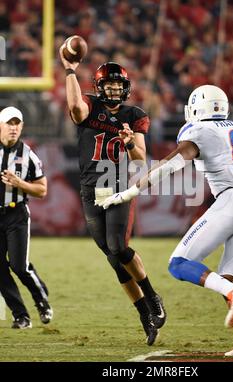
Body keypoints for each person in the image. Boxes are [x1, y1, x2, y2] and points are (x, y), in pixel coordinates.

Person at [100, 85, 233, 356]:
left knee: (178, 265)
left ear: (196, 108)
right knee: (228, 279)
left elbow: (169, 165)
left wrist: (130, 192)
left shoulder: (198, 131)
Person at [59, 44, 166, 346]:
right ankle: (145, 313)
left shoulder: (135, 115)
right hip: (90, 188)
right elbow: (75, 108)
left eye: (119, 85)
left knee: (119, 246)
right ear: (99, 86)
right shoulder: (89, 106)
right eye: (110, 84)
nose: (115, 89)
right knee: (112, 257)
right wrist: (69, 70)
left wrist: (130, 142)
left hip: (118, 186)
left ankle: (153, 295)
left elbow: (140, 159)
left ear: (126, 87)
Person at [0, 106, 53, 329]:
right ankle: (21, 315)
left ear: (21, 127)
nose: (13, 128)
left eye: (17, 124)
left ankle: (42, 301)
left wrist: (19, 183)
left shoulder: (28, 154)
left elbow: (42, 190)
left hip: (16, 214)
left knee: (19, 266)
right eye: (9, 123)